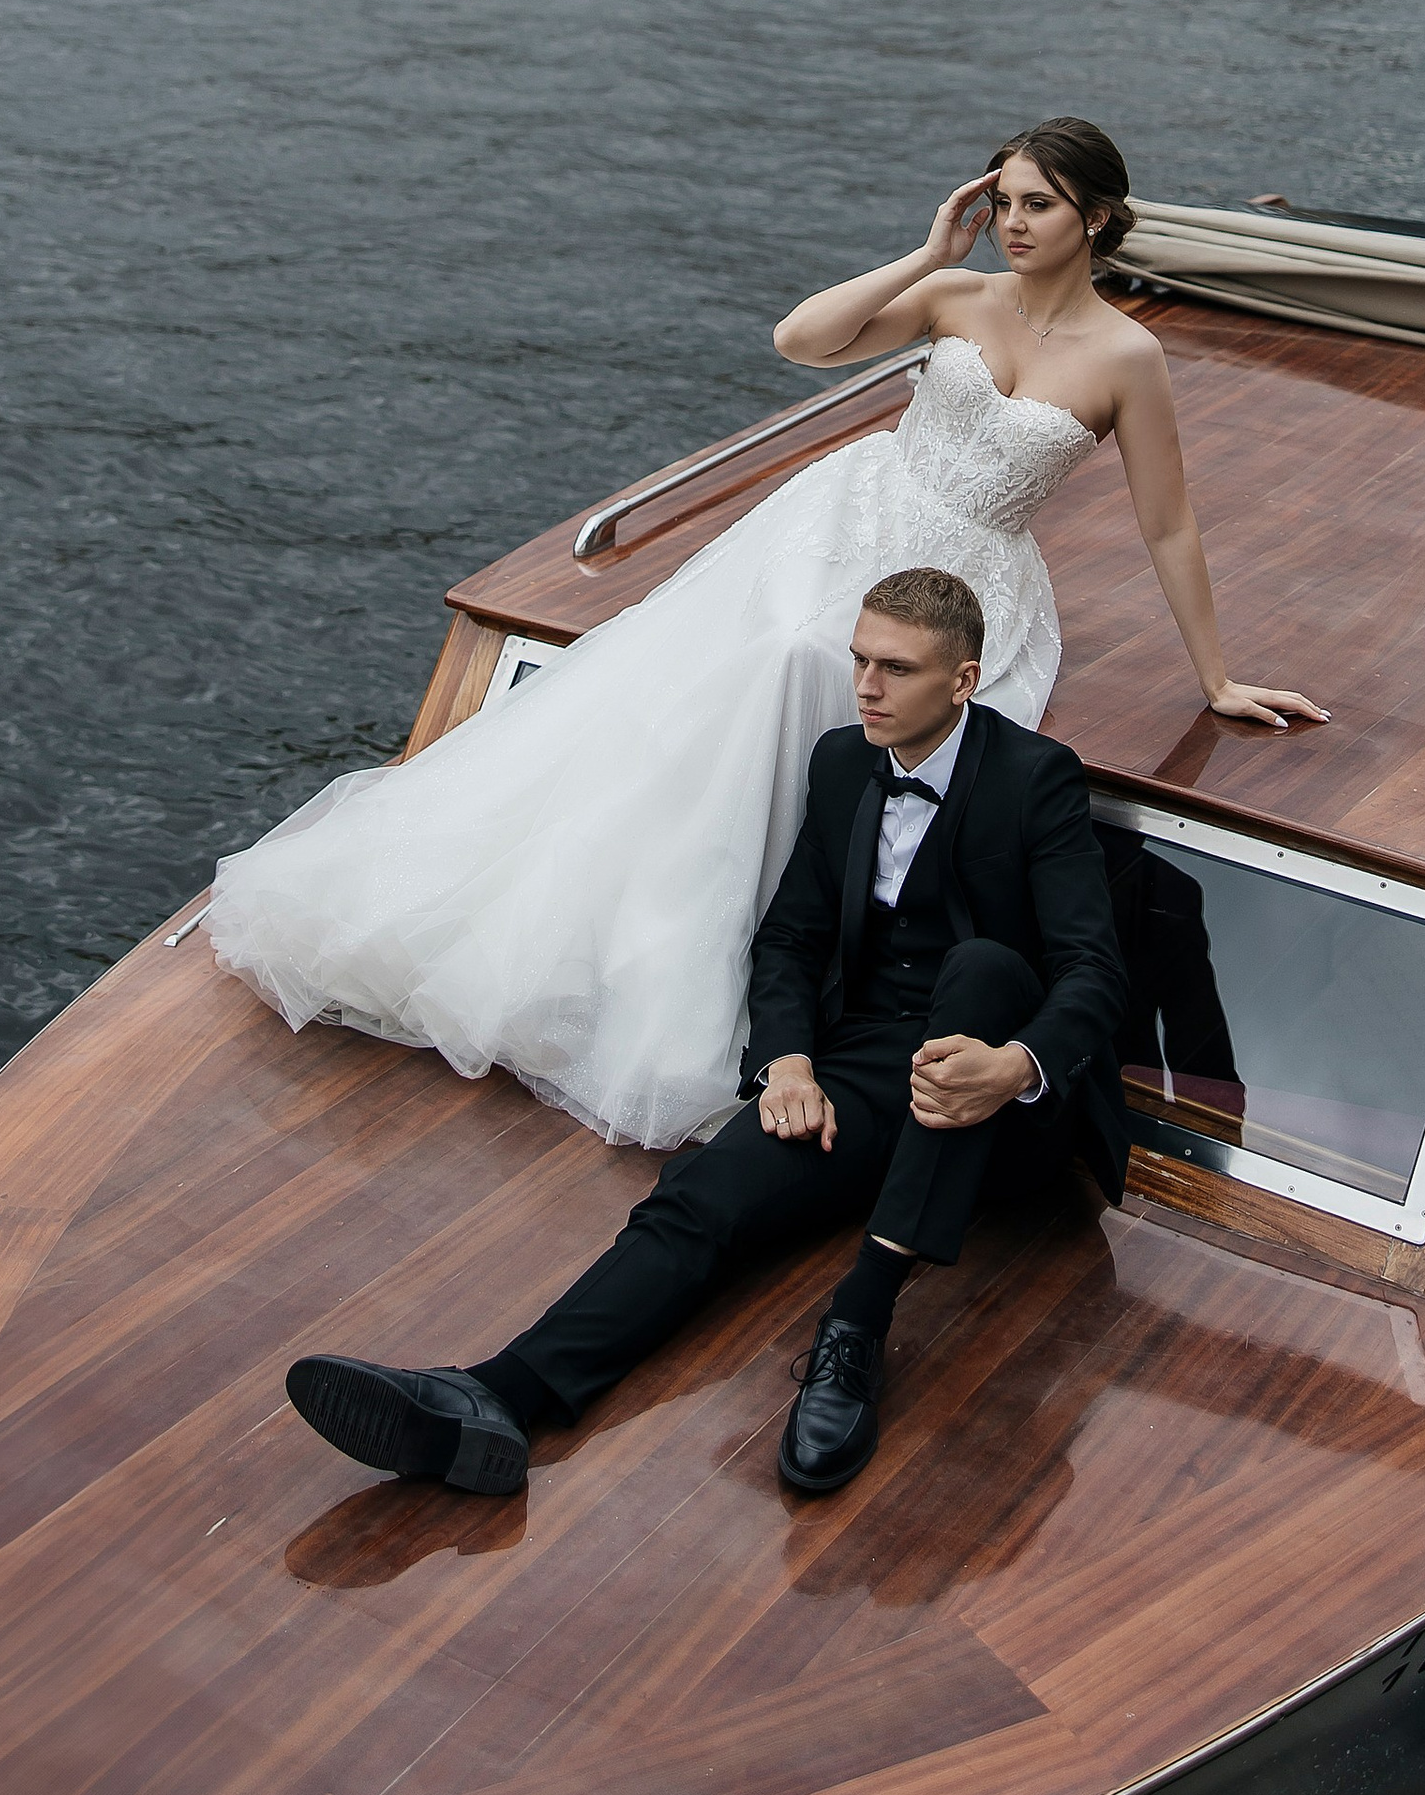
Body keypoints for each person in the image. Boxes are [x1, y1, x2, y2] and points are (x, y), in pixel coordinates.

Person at [210, 115, 1324, 1154]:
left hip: (970, 573)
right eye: (1007, 202)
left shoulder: (1129, 358)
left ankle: (784, 973)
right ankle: (663, 952)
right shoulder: (956, 295)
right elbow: (802, 340)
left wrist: (1215, 676)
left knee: (860, 696)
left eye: (1039, 205)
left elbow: (1166, 522)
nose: (1016, 223)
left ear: (1095, 219)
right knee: (799, 654)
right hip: (850, 520)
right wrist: (928, 247)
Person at [289, 569, 1131, 1498]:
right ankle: (494, 1398)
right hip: (860, 1070)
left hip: (1001, 1102)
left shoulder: (1033, 779)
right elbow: (791, 938)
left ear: (963, 681)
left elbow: (1094, 973)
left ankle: (856, 1325)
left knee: (984, 971)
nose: (866, 688)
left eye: (896, 669)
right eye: (858, 661)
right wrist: (787, 1061)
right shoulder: (844, 763)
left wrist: (1015, 1066)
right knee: (703, 1197)